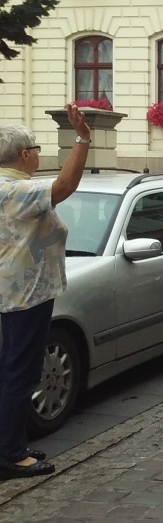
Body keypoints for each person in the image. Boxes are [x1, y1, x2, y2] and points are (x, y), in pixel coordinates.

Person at [0, 104, 89, 480]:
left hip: (16, 293)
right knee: (20, 372)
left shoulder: (10, 186)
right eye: (36, 148)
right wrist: (82, 138)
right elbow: (65, 186)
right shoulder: (17, 189)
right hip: (24, 296)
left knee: (12, 370)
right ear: (25, 155)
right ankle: (10, 454)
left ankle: (11, 442)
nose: (39, 154)